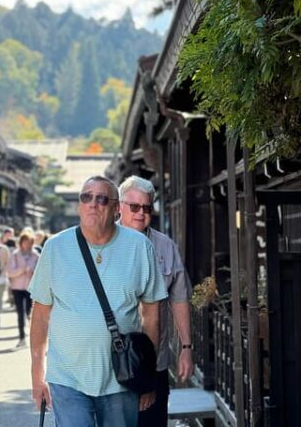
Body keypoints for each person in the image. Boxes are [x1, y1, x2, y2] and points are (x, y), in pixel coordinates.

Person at [29, 175, 167, 427]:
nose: (93, 203)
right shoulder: (55, 247)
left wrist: (147, 378)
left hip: (121, 377)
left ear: (116, 209)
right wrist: (36, 374)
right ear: (80, 205)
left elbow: (152, 315)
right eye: (86, 197)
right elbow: (40, 313)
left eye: (102, 199)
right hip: (66, 376)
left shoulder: (139, 247)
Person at [118, 176, 193, 427]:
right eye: (134, 207)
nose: (141, 213)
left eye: (147, 208)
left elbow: (180, 298)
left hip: (154, 362)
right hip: (109, 363)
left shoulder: (165, 246)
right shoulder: (102, 243)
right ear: (119, 206)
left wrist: (186, 348)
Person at [7, 228, 39, 347]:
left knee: (30, 313)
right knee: (20, 313)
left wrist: (32, 272)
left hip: (31, 287)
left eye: (29, 242)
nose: (27, 244)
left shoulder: (36, 255)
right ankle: (21, 337)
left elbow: (41, 272)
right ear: (20, 242)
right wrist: (22, 270)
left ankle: (33, 337)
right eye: (25, 242)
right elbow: (10, 272)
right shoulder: (15, 255)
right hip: (17, 287)